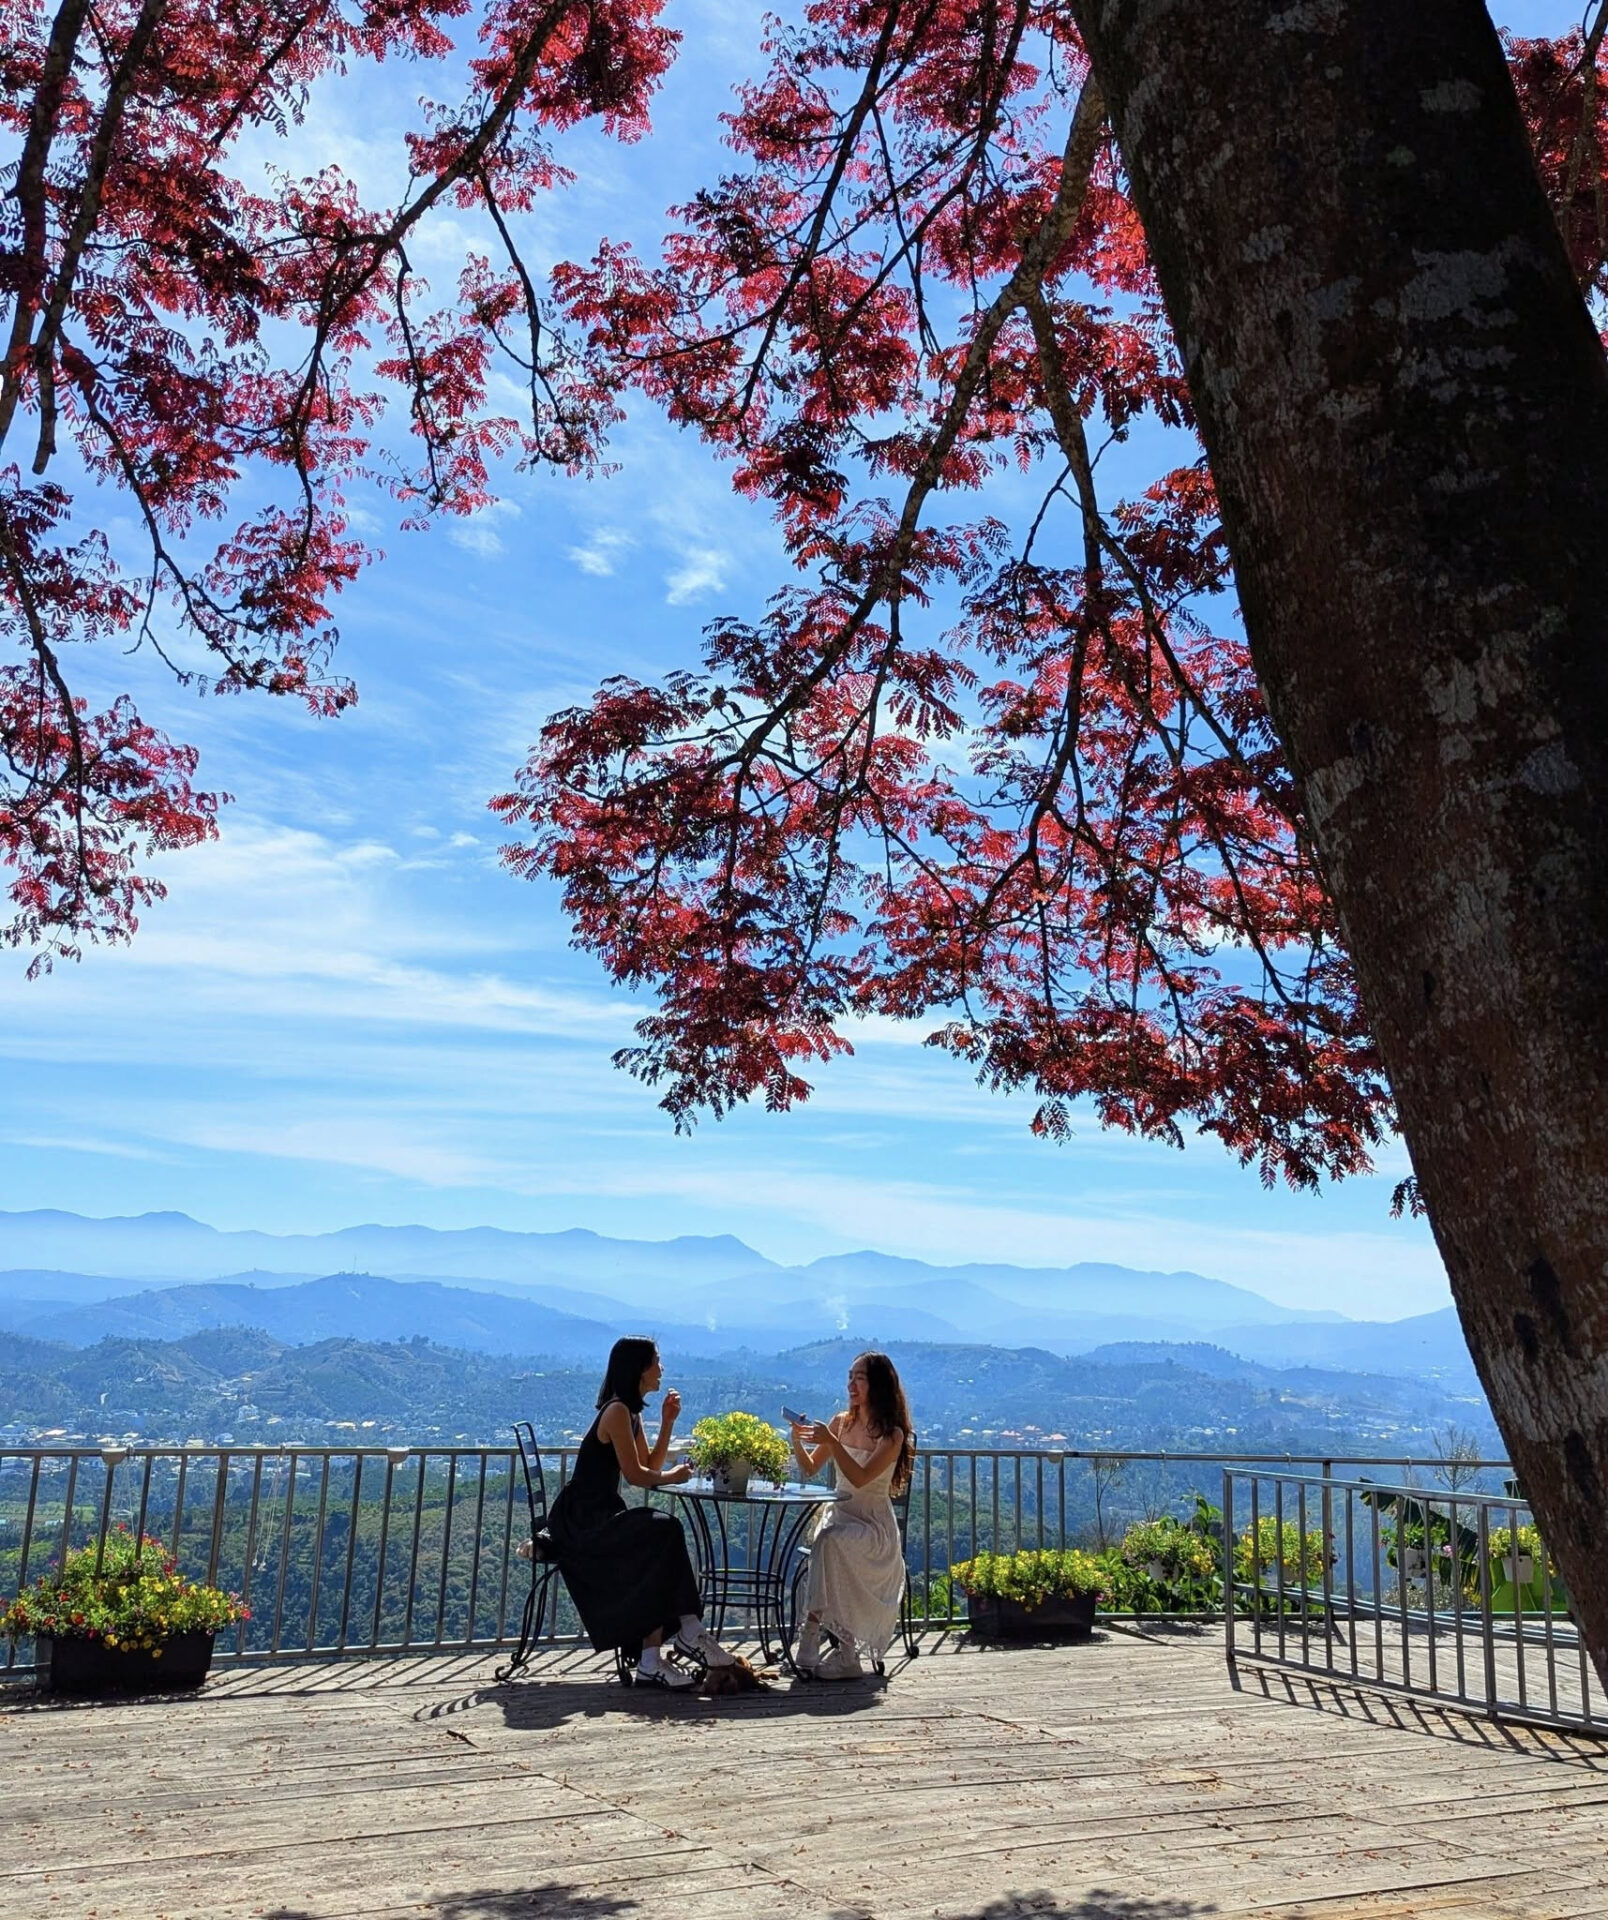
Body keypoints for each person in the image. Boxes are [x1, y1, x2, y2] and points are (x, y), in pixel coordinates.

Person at [547, 1336, 735, 1689]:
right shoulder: (617, 1412)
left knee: (661, 1538)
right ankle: (688, 1630)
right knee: (664, 1531)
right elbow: (637, 1477)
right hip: (584, 1521)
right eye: (657, 1361)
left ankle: (654, 1658)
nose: (661, 1368)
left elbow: (648, 1464)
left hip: (600, 1515)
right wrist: (674, 1476)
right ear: (640, 1369)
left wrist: (666, 1422)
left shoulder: (629, 1413)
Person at [788, 1350, 913, 1679]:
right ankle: (844, 1654)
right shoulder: (840, 1423)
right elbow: (810, 1467)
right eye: (850, 1377)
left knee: (828, 1543)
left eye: (860, 1378)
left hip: (873, 1528)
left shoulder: (892, 1435)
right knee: (828, 1541)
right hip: (839, 1517)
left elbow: (860, 1478)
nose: (852, 1385)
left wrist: (833, 1442)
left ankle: (812, 1634)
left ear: (879, 1385)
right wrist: (797, 1441)